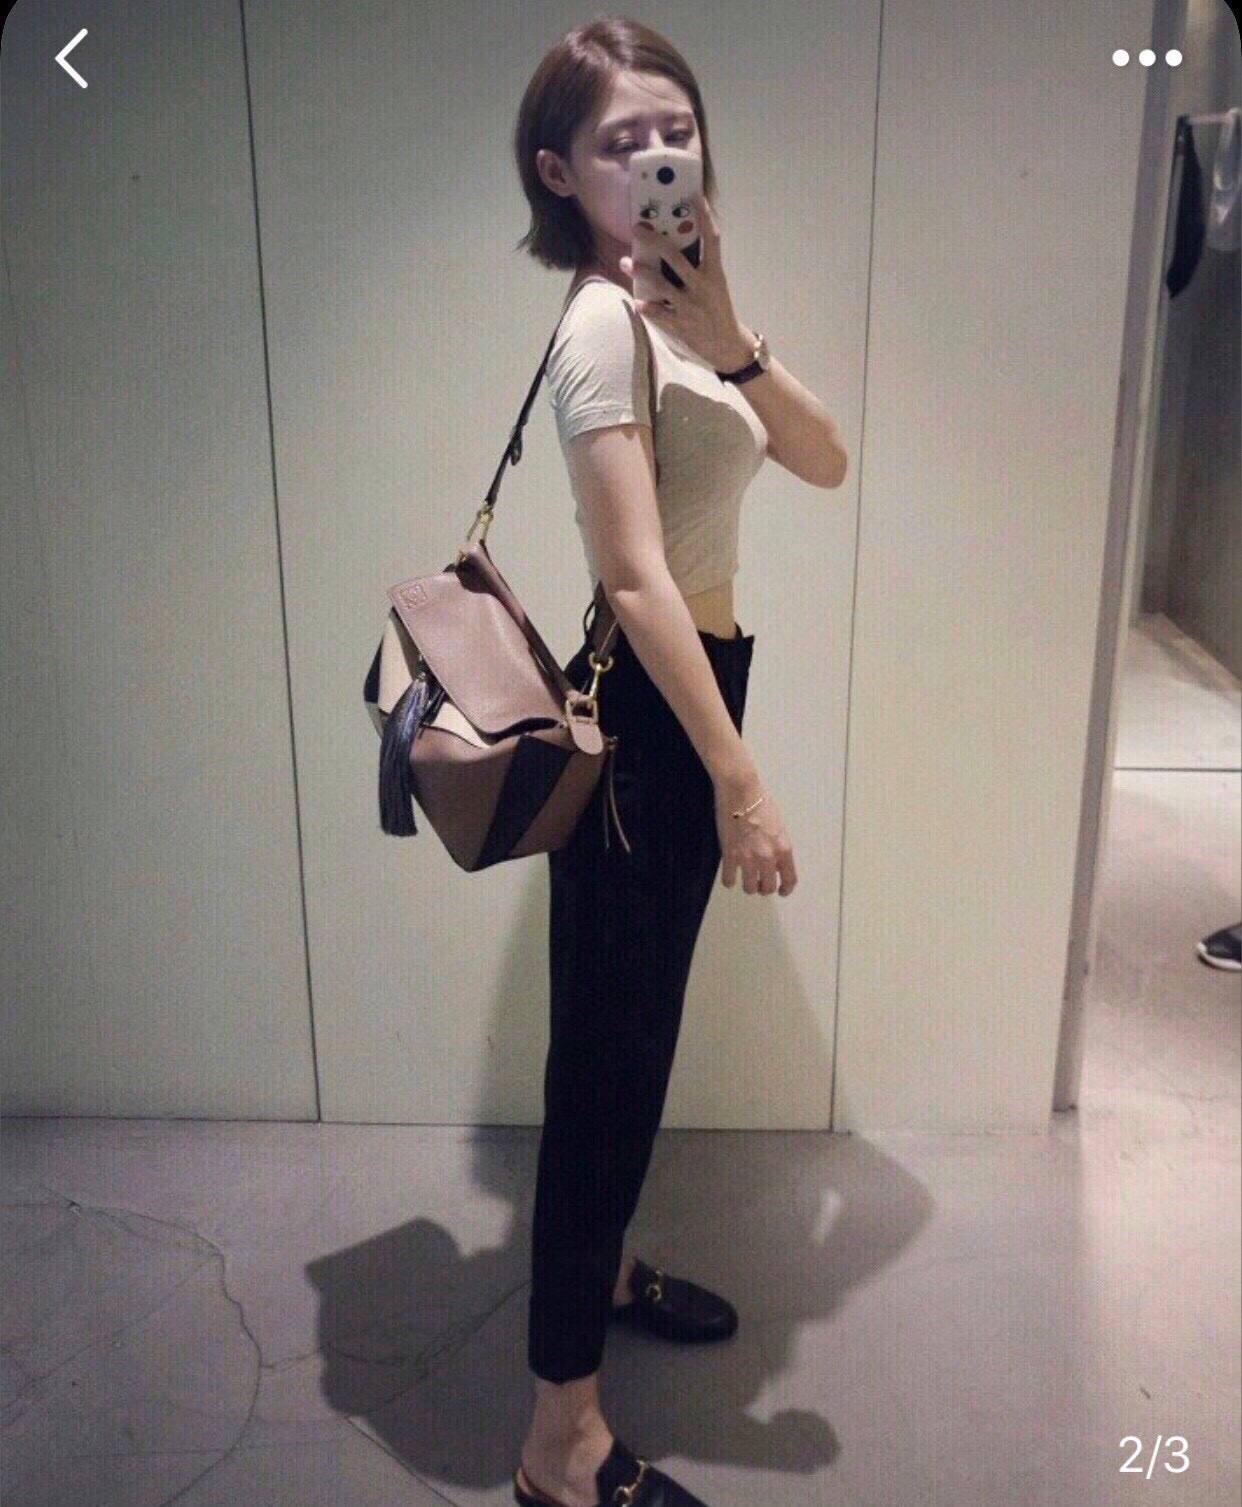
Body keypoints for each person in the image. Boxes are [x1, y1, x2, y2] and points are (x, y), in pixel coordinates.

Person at [510, 18, 846, 1507]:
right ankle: (559, 1444)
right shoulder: (597, 325)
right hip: (657, 716)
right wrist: (739, 778)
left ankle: (603, 1271)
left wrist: (733, 334)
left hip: (693, 694)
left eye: (674, 130)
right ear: (558, 173)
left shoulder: (681, 315)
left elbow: (824, 459)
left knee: (630, 1047)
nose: (656, 155)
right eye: (618, 140)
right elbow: (636, 578)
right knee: (603, 1068)